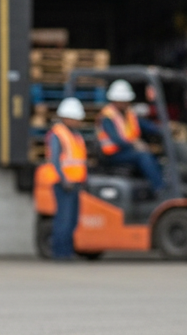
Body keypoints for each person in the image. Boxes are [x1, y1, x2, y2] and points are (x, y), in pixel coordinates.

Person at [97, 79, 164, 192]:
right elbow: (117, 139)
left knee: (155, 156)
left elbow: (144, 125)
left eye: (127, 100)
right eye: (123, 101)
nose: (126, 103)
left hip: (126, 151)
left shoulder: (129, 114)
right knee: (143, 156)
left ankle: (154, 184)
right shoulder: (107, 117)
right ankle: (159, 189)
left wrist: (162, 129)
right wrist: (134, 144)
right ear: (115, 100)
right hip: (113, 155)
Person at [47, 97, 88, 259]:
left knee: (72, 220)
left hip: (75, 183)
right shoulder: (58, 134)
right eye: (76, 118)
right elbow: (55, 160)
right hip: (63, 184)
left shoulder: (75, 135)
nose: (78, 122)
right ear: (66, 118)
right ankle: (60, 253)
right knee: (64, 219)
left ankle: (68, 251)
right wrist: (64, 179)